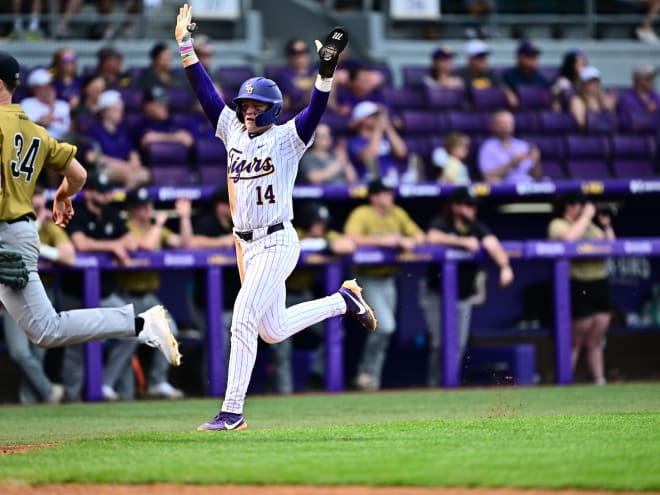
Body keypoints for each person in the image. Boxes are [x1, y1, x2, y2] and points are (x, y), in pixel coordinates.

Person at [174, 4, 376, 431]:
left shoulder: (287, 138)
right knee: (273, 329)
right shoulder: (231, 130)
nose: (248, 110)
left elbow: (316, 111)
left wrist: (325, 74)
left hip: (277, 240)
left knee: (243, 317)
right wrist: (185, 47)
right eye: (245, 103)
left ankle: (232, 412)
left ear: (272, 109)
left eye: (256, 104)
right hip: (245, 245)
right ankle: (344, 301)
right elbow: (206, 94)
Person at [0, 50, 181, 402]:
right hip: (19, 230)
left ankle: (141, 324)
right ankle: (140, 324)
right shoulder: (35, 130)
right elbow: (79, 174)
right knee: (46, 331)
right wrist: (63, 195)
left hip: (6, 232)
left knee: (46, 330)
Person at [421, 187, 513, 386]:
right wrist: (461, 242)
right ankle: (434, 385)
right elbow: (432, 237)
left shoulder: (477, 227)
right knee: (439, 343)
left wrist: (505, 266)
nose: (473, 209)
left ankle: (450, 384)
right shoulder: (442, 222)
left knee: (458, 345)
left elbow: (492, 243)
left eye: (474, 206)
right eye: (468, 205)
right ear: (456, 206)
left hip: (462, 294)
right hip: (437, 293)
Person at [343, 178, 425, 391]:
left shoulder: (397, 213)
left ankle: (372, 383)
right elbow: (351, 237)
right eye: (385, 193)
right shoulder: (362, 213)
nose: (390, 196)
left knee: (383, 330)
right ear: (374, 196)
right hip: (365, 279)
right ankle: (365, 372)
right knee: (386, 327)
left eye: (390, 192)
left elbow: (419, 235)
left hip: (388, 279)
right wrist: (386, 240)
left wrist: (410, 241)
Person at [269, 201, 357, 394]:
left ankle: (316, 376)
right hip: (279, 296)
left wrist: (325, 245)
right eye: (316, 222)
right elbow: (292, 248)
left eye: (323, 223)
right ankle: (285, 392)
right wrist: (320, 247)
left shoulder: (326, 236)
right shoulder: (293, 233)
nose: (320, 227)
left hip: (304, 295)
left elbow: (348, 245)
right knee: (280, 345)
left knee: (334, 333)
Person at [115, 187, 192, 399]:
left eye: (148, 204)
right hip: (125, 297)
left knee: (170, 331)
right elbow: (146, 246)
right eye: (141, 205)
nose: (148, 208)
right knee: (126, 341)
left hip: (149, 297)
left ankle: (157, 382)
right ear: (130, 208)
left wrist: (184, 218)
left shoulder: (153, 227)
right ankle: (111, 387)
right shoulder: (125, 227)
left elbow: (184, 243)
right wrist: (158, 224)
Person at [1, 187, 72, 404]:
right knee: (20, 352)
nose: (41, 211)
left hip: (44, 293)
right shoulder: (9, 223)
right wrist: (34, 228)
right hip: (13, 293)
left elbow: (69, 257)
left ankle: (29, 401)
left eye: (43, 206)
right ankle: (49, 392)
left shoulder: (49, 226)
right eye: (36, 206)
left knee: (40, 352)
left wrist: (39, 231)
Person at [548, 191, 615, 385]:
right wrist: (585, 216)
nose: (584, 209)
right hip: (578, 283)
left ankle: (599, 380)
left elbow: (611, 245)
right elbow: (569, 240)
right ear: (570, 206)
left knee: (597, 336)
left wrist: (606, 226)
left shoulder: (590, 226)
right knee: (576, 339)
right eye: (580, 205)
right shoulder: (558, 224)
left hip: (599, 282)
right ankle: (565, 380)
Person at [85, 89, 151, 188]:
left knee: (145, 174)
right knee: (128, 175)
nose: (120, 113)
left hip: (126, 167)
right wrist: (119, 164)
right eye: (116, 110)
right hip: (106, 169)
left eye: (121, 109)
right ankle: (126, 201)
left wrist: (135, 161)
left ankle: (131, 200)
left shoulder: (122, 130)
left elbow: (131, 151)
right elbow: (90, 156)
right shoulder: (94, 131)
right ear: (104, 112)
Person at [347, 101, 408, 182]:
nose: (378, 119)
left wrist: (388, 127)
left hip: (392, 180)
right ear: (361, 120)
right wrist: (378, 128)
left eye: (378, 116)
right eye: (373, 116)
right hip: (371, 184)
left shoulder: (386, 138)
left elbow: (401, 152)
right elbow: (369, 157)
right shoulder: (354, 142)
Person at [478, 109, 543, 184]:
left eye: (509, 123)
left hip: (529, 188)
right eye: (502, 123)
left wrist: (536, 162)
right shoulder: (488, 147)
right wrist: (511, 164)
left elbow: (536, 176)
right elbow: (486, 175)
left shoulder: (523, 145)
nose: (506, 126)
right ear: (493, 125)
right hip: (506, 190)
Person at [457, 39, 518, 109]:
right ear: (470, 59)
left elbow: (510, 98)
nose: (483, 60)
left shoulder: (492, 74)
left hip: (492, 112)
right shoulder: (460, 75)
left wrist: (509, 94)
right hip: (471, 114)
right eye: (479, 57)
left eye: (485, 56)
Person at [20, 68, 71, 141]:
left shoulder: (63, 105)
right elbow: (34, 129)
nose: (50, 89)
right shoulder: (27, 104)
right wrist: (51, 108)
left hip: (61, 145)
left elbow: (66, 130)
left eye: (51, 85)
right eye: (46, 87)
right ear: (35, 89)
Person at [275, 38, 317, 113]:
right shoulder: (284, 75)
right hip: (300, 114)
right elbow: (288, 103)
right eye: (295, 52)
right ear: (289, 56)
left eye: (305, 51)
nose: (301, 55)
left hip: (324, 114)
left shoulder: (315, 70)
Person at [569, 66, 618, 130]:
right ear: (583, 84)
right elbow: (581, 124)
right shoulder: (577, 100)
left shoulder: (602, 99)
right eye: (590, 82)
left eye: (596, 81)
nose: (594, 84)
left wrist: (608, 107)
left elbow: (613, 121)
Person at [616, 63, 660, 128]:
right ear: (638, 80)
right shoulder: (626, 100)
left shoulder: (656, 97)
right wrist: (646, 114)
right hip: (633, 137)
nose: (652, 81)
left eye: (653, 78)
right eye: (648, 79)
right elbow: (625, 124)